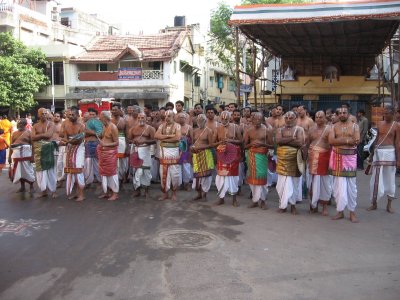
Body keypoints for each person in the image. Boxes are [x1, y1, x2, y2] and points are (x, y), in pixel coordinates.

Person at [328, 107, 360, 223]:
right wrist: (347, 141)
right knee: (338, 187)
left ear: (348, 114)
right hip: (337, 158)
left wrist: (340, 140)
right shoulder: (333, 126)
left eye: (344, 113)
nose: (342, 114)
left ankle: (352, 212)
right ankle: (340, 211)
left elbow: (356, 140)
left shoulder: (355, 126)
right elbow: (331, 141)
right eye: (340, 113)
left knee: (352, 187)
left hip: (350, 159)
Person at [367, 106, 400, 213]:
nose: (385, 115)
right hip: (378, 153)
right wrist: (372, 155)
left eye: (387, 113)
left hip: (390, 153)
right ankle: (374, 203)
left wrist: (398, 159)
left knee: (390, 180)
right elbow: (376, 140)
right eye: (384, 113)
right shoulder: (380, 124)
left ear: (393, 114)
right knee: (375, 179)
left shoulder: (396, 126)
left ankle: (389, 205)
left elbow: (398, 143)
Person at [275, 111, 305, 214]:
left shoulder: (299, 129)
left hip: (294, 161)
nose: (288, 120)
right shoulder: (280, 129)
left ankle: (293, 205)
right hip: (282, 161)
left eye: (291, 118)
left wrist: (285, 140)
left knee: (294, 184)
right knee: (281, 185)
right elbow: (278, 141)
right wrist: (292, 139)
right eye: (286, 118)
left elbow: (300, 142)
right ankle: (282, 205)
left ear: (295, 119)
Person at [244, 112, 272, 209]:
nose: (257, 121)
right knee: (252, 179)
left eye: (259, 120)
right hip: (251, 156)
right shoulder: (248, 130)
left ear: (262, 120)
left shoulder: (266, 131)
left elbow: (272, 145)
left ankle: (263, 200)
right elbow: (244, 145)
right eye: (255, 119)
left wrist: (261, 144)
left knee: (262, 178)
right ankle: (255, 200)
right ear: (252, 120)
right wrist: (251, 145)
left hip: (262, 156)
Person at [215, 111, 242, 206]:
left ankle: (234, 199)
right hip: (221, 155)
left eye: (226, 119)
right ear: (220, 118)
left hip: (233, 156)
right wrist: (220, 144)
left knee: (233, 177)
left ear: (230, 118)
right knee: (221, 177)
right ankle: (221, 198)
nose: (224, 121)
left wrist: (230, 141)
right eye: (222, 119)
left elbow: (241, 141)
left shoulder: (236, 127)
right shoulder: (218, 128)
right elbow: (213, 143)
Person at [307, 111, 332, 216]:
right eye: (316, 117)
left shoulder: (329, 129)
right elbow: (307, 143)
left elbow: (331, 145)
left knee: (324, 183)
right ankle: (314, 204)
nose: (318, 119)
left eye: (320, 117)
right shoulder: (311, 128)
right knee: (312, 182)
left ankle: (324, 206)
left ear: (325, 118)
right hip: (312, 158)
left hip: (324, 158)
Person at [155, 110, 182, 201]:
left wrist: (164, 138)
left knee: (175, 174)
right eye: (166, 116)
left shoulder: (177, 126)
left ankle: (174, 193)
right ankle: (165, 193)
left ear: (173, 117)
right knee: (163, 173)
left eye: (169, 116)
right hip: (164, 153)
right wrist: (170, 136)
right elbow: (156, 136)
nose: (167, 118)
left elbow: (177, 138)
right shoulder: (161, 126)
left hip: (174, 153)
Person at [61, 106, 85, 201]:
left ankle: (81, 195)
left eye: (72, 115)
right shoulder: (66, 125)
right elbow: (65, 137)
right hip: (69, 148)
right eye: (69, 114)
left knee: (78, 170)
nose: (70, 116)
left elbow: (79, 140)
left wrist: (67, 142)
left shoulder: (81, 126)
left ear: (77, 115)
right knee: (71, 171)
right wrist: (63, 142)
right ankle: (76, 193)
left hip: (79, 149)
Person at [31, 108, 57, 198]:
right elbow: (32, 138)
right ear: (38, 115)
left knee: (50, 170)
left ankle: (53, 191)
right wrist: (42, 136)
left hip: (48, 149)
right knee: (40, 171)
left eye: (45, 113)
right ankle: (44, 191)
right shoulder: (35, 125)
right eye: (42, 114)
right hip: (38, 151)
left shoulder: (51, 124)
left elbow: (49, 135)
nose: (44, 115)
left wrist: (38, 137)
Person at [129, 112, 155, 198]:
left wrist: (144, 142)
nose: (141, 119)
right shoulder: (133, 129)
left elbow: (154, 140)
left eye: (142, 117)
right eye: (139, 117)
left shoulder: (150, 128)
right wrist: (133, 142)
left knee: (146, 171)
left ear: (146, 118)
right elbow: (129, 139)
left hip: (145, 151)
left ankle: (147, 191)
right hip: (136, 151)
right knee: (136, 171)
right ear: (137, 119)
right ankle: (137, 190)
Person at [191, 114, 215, 201]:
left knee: (206, 176)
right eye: (198, 120)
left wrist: (201, 147)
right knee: (197, 176)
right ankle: (199, 194)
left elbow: (211, 145)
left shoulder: (208, 131)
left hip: (206, 155)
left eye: (202, 120)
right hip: (196, 155)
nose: (200, 121)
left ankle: (204, 195)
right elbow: (193, 143)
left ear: (205, 121)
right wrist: (192, 149)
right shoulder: (195, 131)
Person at [8, 119, 35, 192]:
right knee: (19, 171)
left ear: (25, 124)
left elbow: (33, 145)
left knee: (28, 170)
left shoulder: (29, 132)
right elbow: (11, 145)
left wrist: (33, 156)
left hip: (26, 155)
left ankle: (31, 186)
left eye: (20, 124)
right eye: (18, 124)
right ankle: (22, 186)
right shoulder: (14, 133)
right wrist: (9, 157)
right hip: (16, 155)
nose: (18, 125)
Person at [97, 111, 119, 201]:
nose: (99, 119)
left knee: (112, 174)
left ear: (106, 118)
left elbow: (117, 142)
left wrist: (105, 145)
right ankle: (107, 192)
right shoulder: (104, 126)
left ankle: (115, 193)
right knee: (104, 173)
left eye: (101, 118)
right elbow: (102, 137)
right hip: (103, 153)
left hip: (110, 154)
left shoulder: (113, 127)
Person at [84, 108, 103, 186]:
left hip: (97, 143)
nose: (91, 116)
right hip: (88, 143)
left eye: (93, 114)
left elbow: (101, 134)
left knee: (98, 163)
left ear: (97, 115)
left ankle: (100, 181)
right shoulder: (86, 123)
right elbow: (84, 132)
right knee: (87, 163)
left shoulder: (100, 123)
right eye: (90, 114)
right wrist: (94, 133)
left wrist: (91, 133)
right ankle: (88, 182)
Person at [111, 103, 129, 184]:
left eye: (116, 110)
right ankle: (115, 178)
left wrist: (127, 147)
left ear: (120, 110)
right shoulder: (109, 121)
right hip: (112, 143)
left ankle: (123, 178)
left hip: (122, 142)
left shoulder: (124, 121)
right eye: (113, 110)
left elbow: (127, 134)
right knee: (114, 161)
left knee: (122, 161)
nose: (114, 111)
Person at [177, 112, 193, 191]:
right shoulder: (175, 127)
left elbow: (192, 139)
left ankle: (186, 183)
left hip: (186, 149)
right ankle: (179, 183)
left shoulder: (189, 127)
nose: (181, 119)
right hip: (177, 149)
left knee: (186, 167)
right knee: (178, 167)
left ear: (186, 118)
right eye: (180, 117)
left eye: (183, 117)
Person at [52, 112, 66, 187]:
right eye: (55, 116)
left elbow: (65, 136)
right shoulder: (50, 126)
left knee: (59, 164)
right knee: (53, 164)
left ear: (60, 118)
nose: (56, 117)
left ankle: (60, 180)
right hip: (52, 146)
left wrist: (61, 142)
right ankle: (55, 180)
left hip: (61, 145)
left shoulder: (62, 126)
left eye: (58, 116)